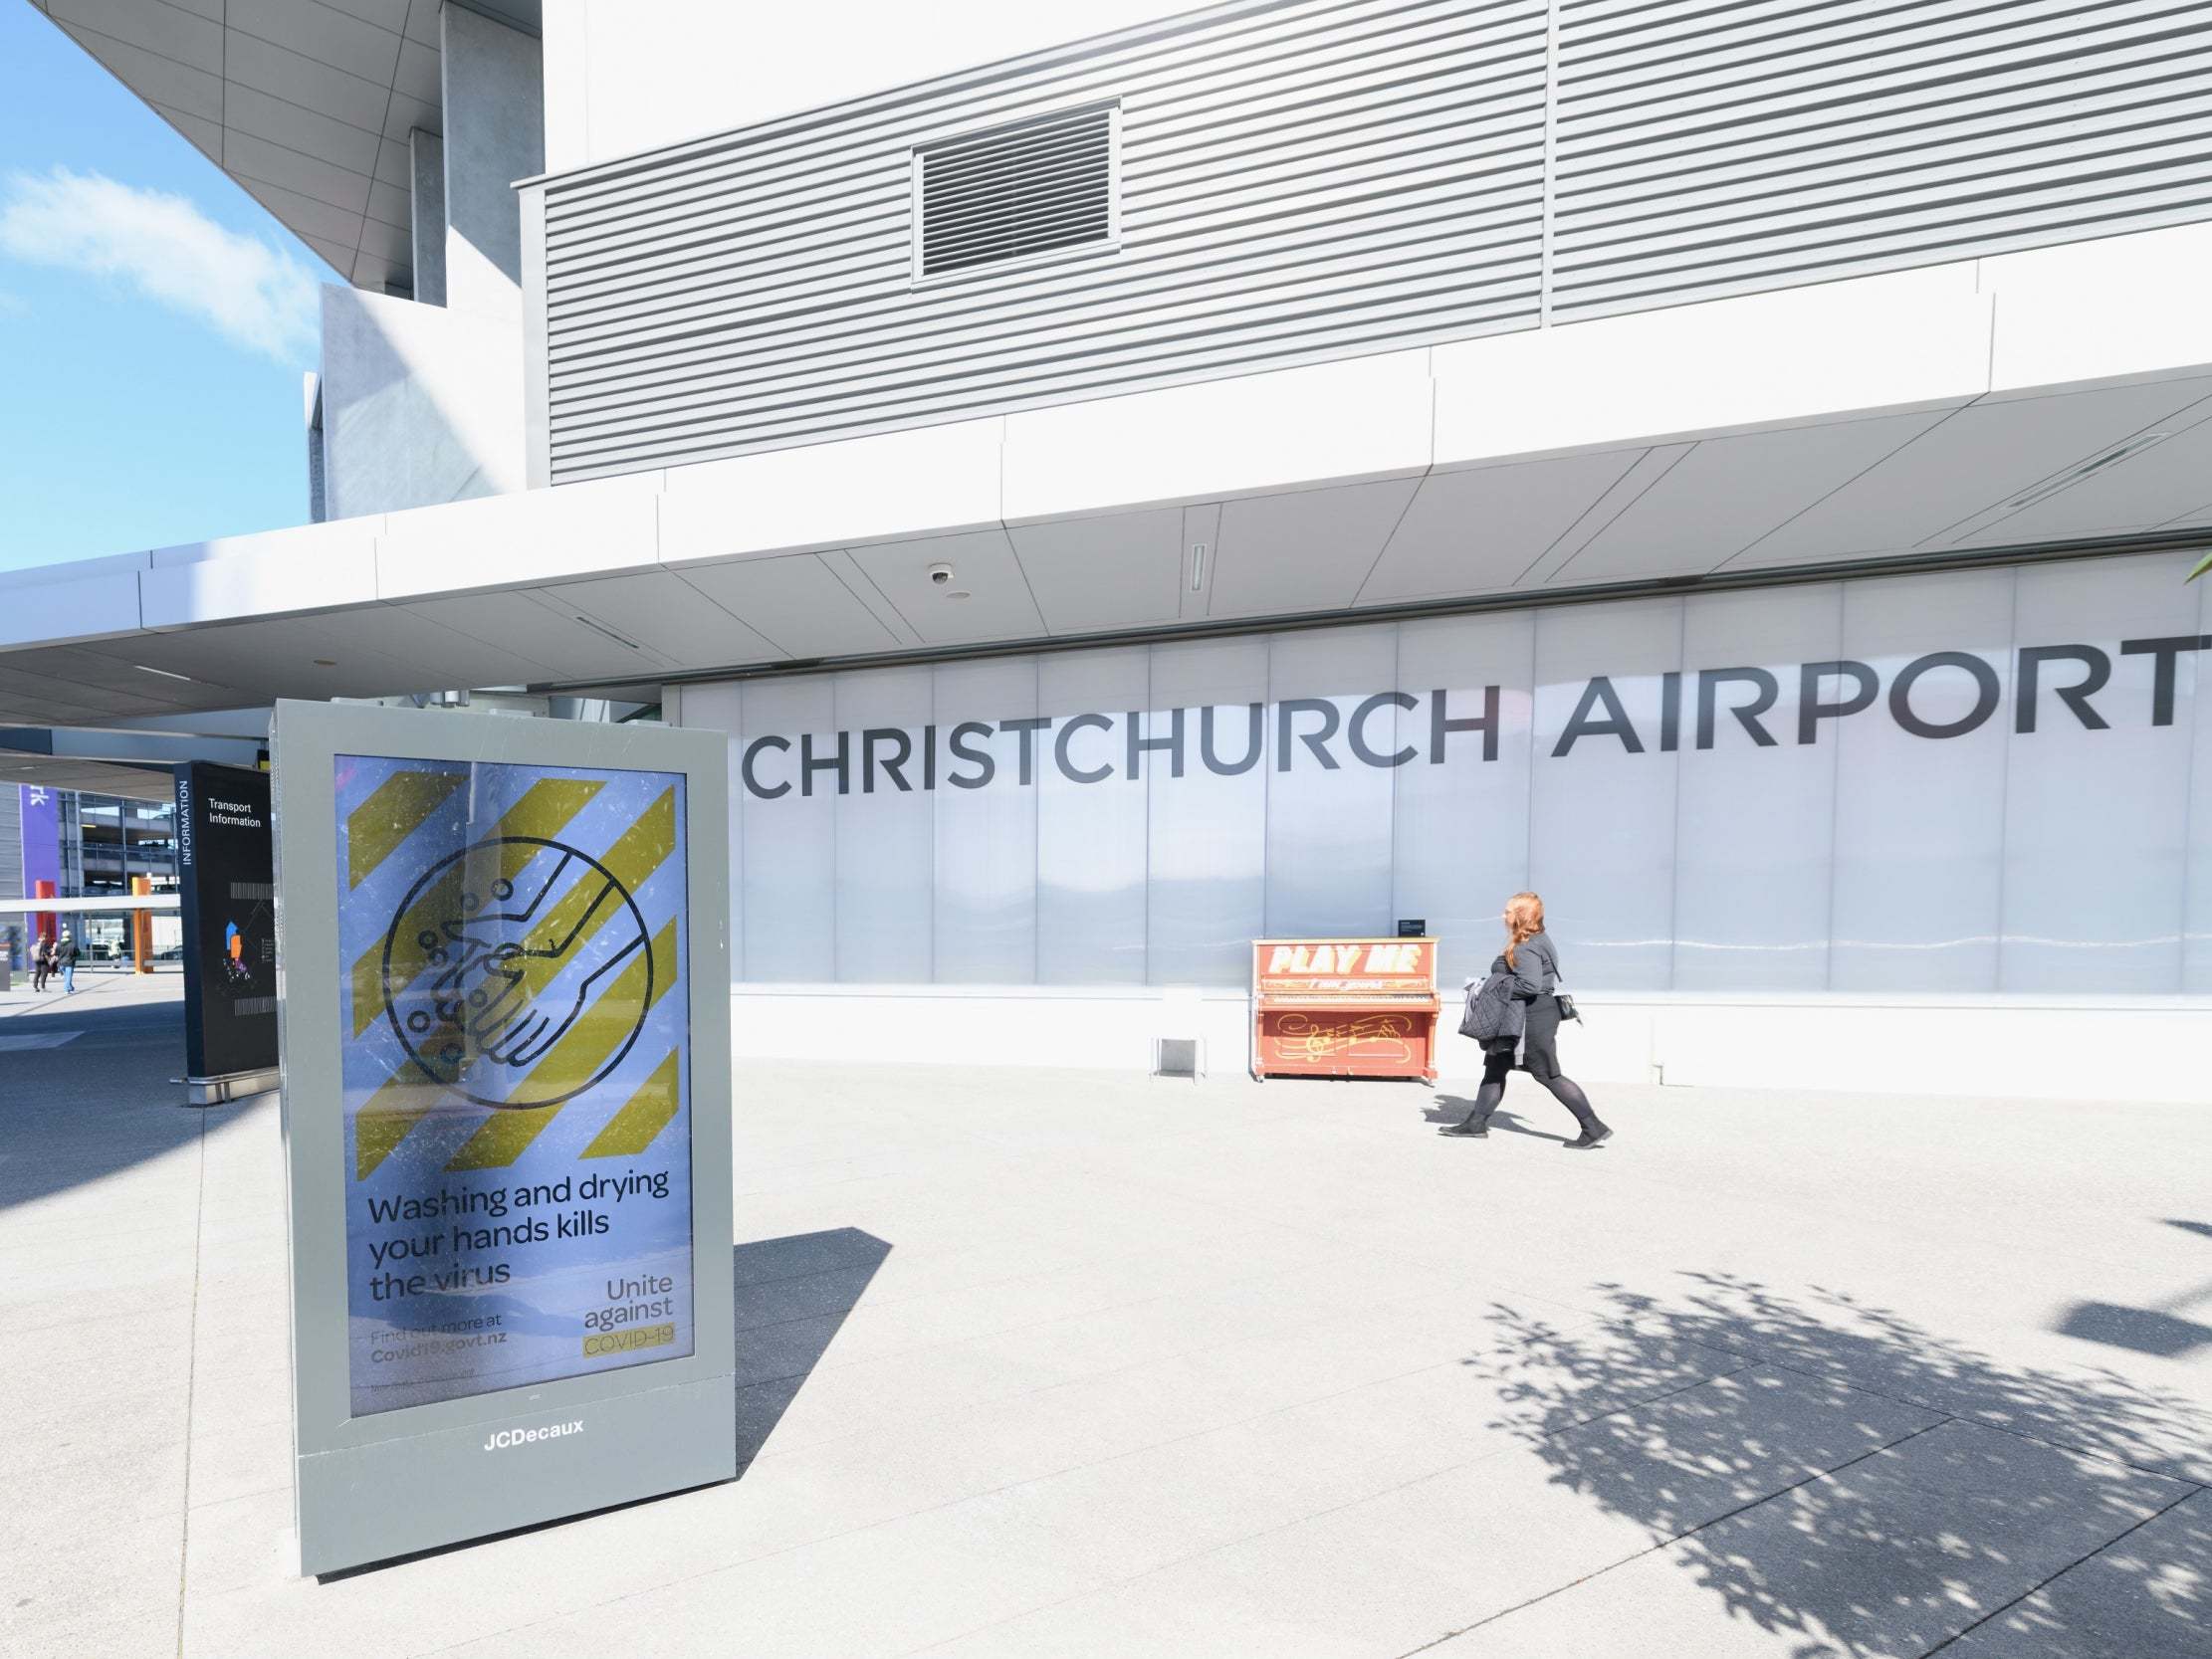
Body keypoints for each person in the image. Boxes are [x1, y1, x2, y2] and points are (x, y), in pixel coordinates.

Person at [1440, 892, 1614, 1149]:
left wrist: (1491, 986)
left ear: (1520, 915)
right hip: (1519, 1016)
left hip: (1531, 1018)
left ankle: (1593, 1127)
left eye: (1508, 911)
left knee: (1548, 1074)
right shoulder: (1536, 939)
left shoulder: (1527, 945)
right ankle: (1476, 1123)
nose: (1503, 915)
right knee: (1496, 1067)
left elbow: (1530, 985)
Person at [57, 930, 80, 995]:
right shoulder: (73, 945)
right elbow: (78, 953)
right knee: (68, 977)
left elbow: (56, 953)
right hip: (69, 963)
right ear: (69, 936)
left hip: (61, 963)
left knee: (67, 977)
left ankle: (71, 988)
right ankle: (66, 989)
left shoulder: (59, 945)